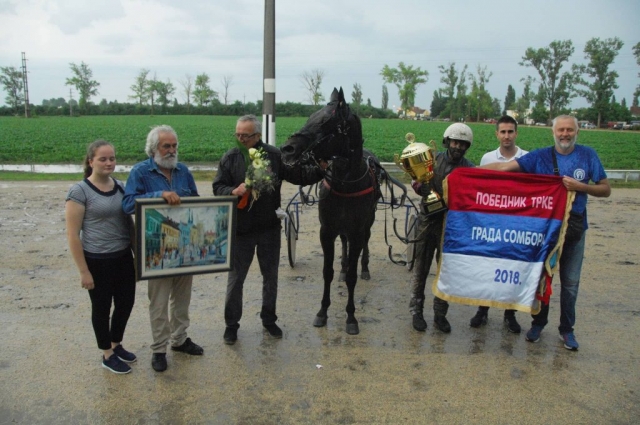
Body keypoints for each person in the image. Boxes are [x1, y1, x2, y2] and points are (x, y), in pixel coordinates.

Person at [481, 115, 610, 350]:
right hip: (546, 230)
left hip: (574, 230)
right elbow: (504, 168)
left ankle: (567, 330)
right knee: (542, 279)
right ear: (554, 132)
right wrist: (468, 174)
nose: (565, 134)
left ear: (577, 131)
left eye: (570, 130)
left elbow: (605, 189)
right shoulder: (540, 157)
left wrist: (581, 187)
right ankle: (538, 323)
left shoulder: (587, 155)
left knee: (570, 283)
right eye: (561, 130)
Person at [212, 114, 324, 345]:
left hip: (268, 230)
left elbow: (297, 175)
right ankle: (231, 325)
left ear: (258, 135)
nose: (241, 139)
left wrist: (321, 171)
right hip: (240, 231)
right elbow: (217, 187)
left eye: (246, 135)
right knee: (235, 281)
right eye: (238, 134)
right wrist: (232, 192)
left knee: (270, 278)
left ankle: (269, 319)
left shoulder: (274, 156)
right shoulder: (230, 157)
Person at [123, 125, 203, 372]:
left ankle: (179, 340)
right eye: (165, 146)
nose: (171, 150)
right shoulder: (140, 172)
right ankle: (159, 349)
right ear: (153, 149)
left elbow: (197, 202)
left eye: (174, 145)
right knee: (158, 302)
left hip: (184, 247)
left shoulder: (183, 171)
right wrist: (160, 195)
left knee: (182, 298)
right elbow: (127, 204)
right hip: (155, 249)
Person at [65, 140, 137, 374]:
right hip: (97, 260)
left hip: (123, 257)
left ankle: (116, 344)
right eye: (103, 159)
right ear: (90, 161)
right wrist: (84, 271)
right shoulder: (79, 191)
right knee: (102, 307)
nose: (109, 163)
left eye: (112, 158)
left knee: (125, 303)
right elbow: (73, 235)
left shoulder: (121, 186)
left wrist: (139, 255)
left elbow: (130, 223)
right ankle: (106, 353)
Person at [410, 123, 475, 333]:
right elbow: (416, 181)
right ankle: (416, 311)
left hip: (452, 226)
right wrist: (419, 185)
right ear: (448, 141)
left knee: (446, 272)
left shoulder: (470, 169)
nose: (458, 147)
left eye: (462, 144)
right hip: (427, 222)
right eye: (455, 142)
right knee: (421, 268)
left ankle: (440, 314)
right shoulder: (431, 160)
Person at [470, 115, 529, 333]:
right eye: (502, 132)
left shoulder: (527, 158)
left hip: (517, 222)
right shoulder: (487, 159)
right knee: (488, 266)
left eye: (510, 131)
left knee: (512, 267)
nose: (506, 136)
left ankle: (509, 313)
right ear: (496, 134)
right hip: (492, 221)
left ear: (516, 133)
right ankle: (482, 309)